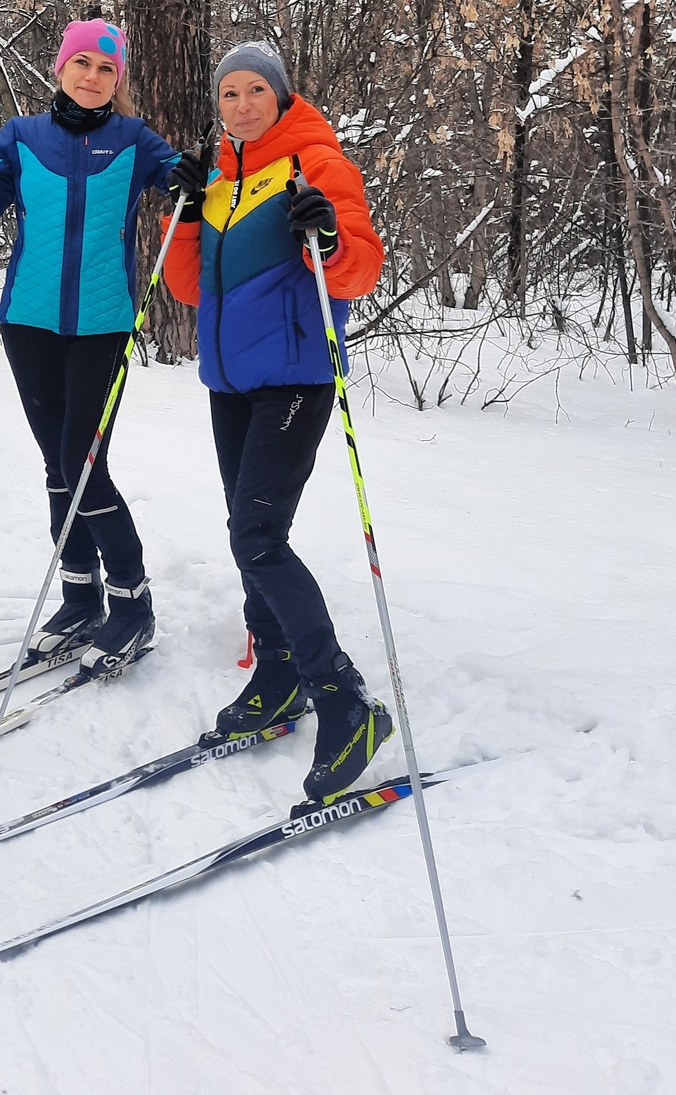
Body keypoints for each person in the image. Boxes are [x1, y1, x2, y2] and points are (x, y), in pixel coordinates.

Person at [163, 39, 393, 806]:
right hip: (230, 383)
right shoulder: (221, 176)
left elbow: (361, 264)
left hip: (295, 378)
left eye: (254, 90)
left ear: (283, 96)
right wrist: (188, 212)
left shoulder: (318, 164)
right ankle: (279, 674)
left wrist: (328, 235)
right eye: (228, 93)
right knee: (247, 529)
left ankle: (342, 698)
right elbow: (188, 286)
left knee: (256, 537)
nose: (240, 105)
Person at [0, 19, 177, 675]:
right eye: (82, 63)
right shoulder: (21, 137)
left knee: (83, 461)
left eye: (105, 68)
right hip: (29, 324)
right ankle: (80, 597)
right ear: (60, 68)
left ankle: (133, 604)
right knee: (57, 466)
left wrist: (198, 180)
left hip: (102, 327)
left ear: (116, 80)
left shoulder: (135, 141)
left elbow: (190, 185)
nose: (92, 76)